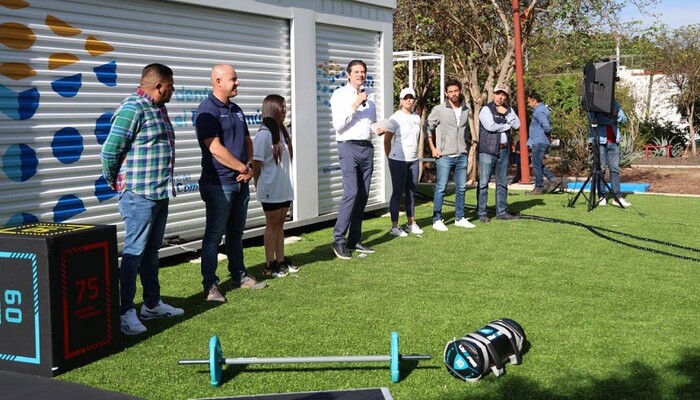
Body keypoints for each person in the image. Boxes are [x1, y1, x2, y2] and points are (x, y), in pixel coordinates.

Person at [100, 63, 184, 335]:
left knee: (151, 251)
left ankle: (151, 303)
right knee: (134, 253)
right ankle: (125, 311)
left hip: (158, 193)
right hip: (139, 195)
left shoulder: (158, 108)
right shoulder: (133, 108)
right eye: (170, 86)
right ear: (159, 85)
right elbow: (110, 151)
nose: (173, 91)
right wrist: (117, 182)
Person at [195, 64, 266, 303]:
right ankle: (210, 286)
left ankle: (240, 275)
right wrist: (242, 168)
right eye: (233, 79)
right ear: (217, 81)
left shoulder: (236, 110)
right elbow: (214, 148)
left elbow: (247, 140)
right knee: (214, 235)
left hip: (241, 181)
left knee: (236, 232)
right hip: (219, 184)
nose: (237, 83)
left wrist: (249, 169)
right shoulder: (206, 110)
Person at [330, 59, 386, 259]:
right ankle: (338, 240)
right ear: (348, 75)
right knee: (351, 193)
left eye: (363, 72)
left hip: (366, 148)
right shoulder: (340, 95)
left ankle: (355, 239)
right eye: (356, 72)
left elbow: (370, 123)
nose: (360, 75)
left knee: (362, 196)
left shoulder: (369, 99)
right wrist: (355, 104)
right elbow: (339, 125)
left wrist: (377, 129)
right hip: (348, 147)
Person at [252, 95, 299, 277]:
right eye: (282, 107)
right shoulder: (264, 134)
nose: (285, 110)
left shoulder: (282, 131)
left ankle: (281, 260)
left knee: (280, 224)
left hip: (284, 186)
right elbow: (256, 162)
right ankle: (269, 264)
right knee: (272, 224)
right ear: (272, 109)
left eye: (285, 107)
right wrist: (257, 181)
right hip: (270, 187)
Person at [426, 79, 474, 231]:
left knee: (461, 188)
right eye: (451, 91)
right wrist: (433, 148)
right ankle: (437, 219)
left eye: (456, 91)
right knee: (441, 188)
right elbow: (427, 127)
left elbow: (465, 131)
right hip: (444, 155)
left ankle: (459, 217)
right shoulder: (439, 109)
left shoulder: (466, 109)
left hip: (461, 155)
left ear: (460, 91)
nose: (454, 94)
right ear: (446, 93)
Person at [477, 83, 521, 222]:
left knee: (502, 182)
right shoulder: (486, 109)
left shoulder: (508, 110)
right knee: (484, 183)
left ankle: (501, 212)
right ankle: (482, 213)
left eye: (503, 95)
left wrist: (507, 113)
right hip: (488, 150)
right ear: (494, 94)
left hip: (504, 150)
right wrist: (507, 126)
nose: (500, 97)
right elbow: (490, 127)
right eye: (498, 94)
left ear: (506, 97)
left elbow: (518, 125)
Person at [385, 87, 423, 237]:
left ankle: (410, 223)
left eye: (411, 97)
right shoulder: (394, 118)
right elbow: (386, 141)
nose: (409, 100)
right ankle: (394, 226)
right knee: (397, 193)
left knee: (411, 193)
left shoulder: (416, 118)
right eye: (406, 97)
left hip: (413, 160)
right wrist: (390, 158)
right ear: (401, 100)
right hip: (398, 160)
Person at [589, 99, 631, 207]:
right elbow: (592, 120)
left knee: (615, 169)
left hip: (613, 142)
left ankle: (617, 197)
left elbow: (624, 119)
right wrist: (610, 119)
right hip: (600, 141)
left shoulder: (615, 103)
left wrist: (615, 114)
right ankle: (602, 195)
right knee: (601, 169)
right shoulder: (595, 103)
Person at [525, 91, 560, 195]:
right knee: (538, 163)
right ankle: (553, 180)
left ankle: (539, 187)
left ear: (534, 101)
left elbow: (547, 127)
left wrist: (545, 134)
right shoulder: (541, 109)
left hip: (539, 141)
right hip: (539, 140)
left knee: (536, 165)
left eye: (529, 102)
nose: (528, 104)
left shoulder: (539, 111)